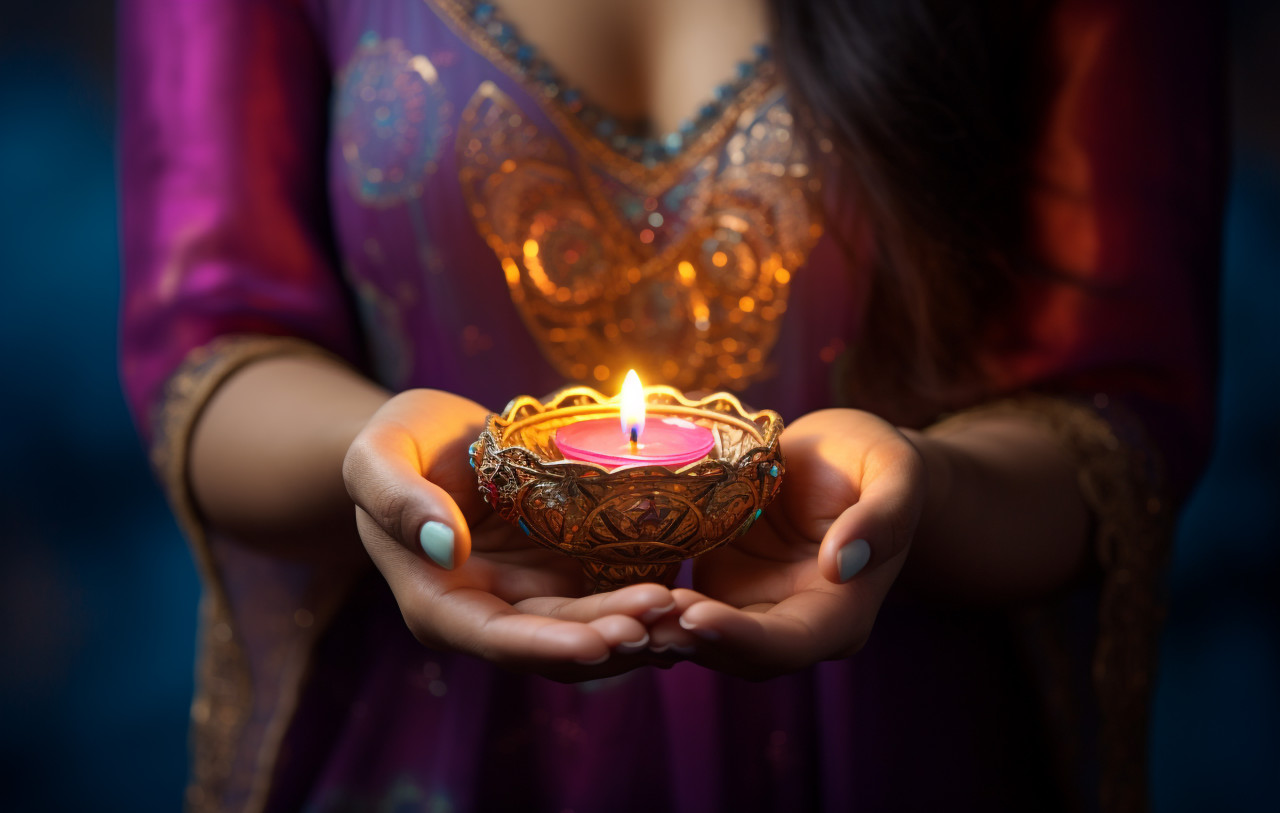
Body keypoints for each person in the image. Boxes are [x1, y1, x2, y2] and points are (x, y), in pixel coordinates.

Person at [118, 0, 1223, 811]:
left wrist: (913, 492)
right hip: (428, 743)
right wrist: (388, 467)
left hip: (886, 728)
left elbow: (1111, 410)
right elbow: (207, 346)